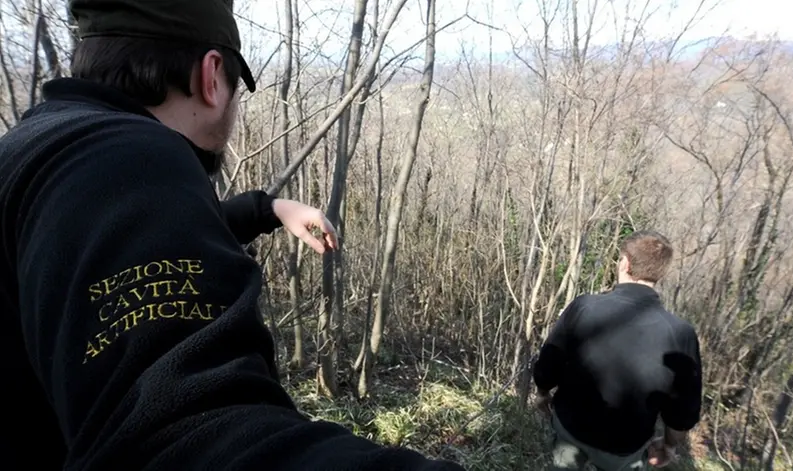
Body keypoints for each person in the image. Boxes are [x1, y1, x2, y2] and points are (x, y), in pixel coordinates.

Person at [0, 0, 464, 470]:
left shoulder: (40, 151)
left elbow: (107, 245)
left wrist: (267, 209)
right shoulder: (131, 155)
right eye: (237, 90)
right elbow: (181, 434)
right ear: (211, 74)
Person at [532, 231, 703, 470]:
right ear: (660, 273)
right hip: (626, 446)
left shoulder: (584, 306)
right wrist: (669, 444)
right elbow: (684, 408)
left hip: (571, 427)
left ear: (625, 262)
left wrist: (542, 392)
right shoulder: (681, 333)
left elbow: (551, 359)